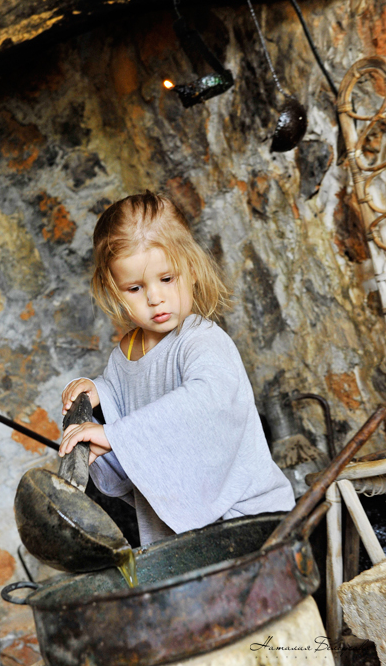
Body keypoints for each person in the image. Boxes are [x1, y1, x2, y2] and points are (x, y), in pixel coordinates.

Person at [59, 191, 295, 545]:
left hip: (247, 523)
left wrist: (116, 436)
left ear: (192, 268)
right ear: (112, 288)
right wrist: (99, 395)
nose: (155, 298)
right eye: (135, 288)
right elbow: (126, 417)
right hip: (183, 538)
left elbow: (206, 401)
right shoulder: (124, 356)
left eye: (167, 279)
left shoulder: (201, 340)